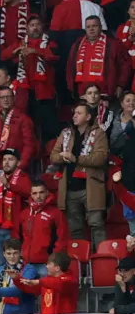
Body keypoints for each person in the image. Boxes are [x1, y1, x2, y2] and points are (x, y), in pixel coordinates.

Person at [51, 103, 109, 245]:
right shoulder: (66, 133)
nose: (74, 115)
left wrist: (76, 159)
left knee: (96, 225)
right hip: (70, 188)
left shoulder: (99, 133)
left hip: (90, 187)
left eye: (79, 113)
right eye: (74, 113)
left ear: (88, 117)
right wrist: (62, 156)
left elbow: (100, 158)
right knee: (74, 228)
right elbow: (53, 155)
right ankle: (79, 263)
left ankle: (101, 259)